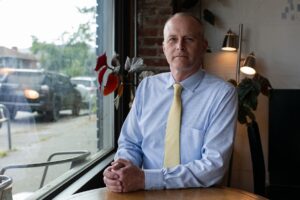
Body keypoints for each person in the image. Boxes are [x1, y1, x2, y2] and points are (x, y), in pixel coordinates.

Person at [103, 12, 238, 193]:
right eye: (172, 39)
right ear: (164, 47)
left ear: (204, 46)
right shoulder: (147, 87)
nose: (180, 46)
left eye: (189, 39)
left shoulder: (223, 95)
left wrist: (146, 179)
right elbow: (130, 143)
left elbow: (214, 166)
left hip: (197, 195)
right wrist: (121, 168)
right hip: (143, 193)